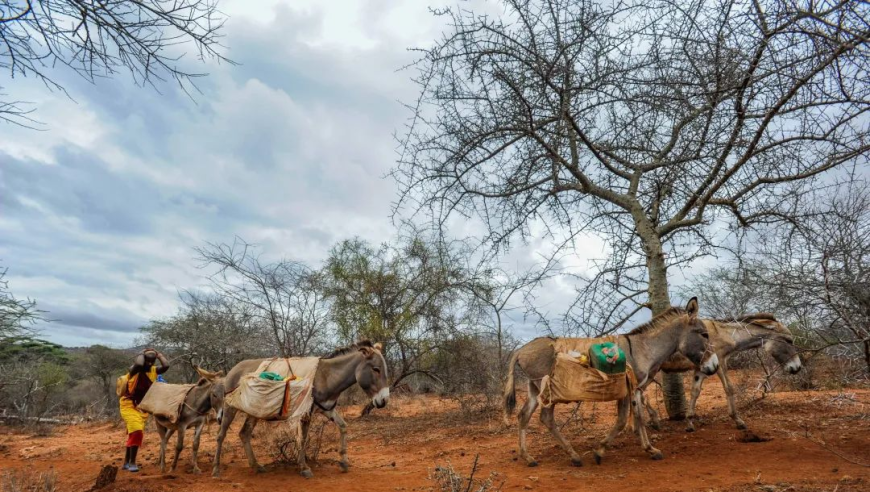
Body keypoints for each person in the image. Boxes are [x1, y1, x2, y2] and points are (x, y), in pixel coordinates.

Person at [119, 348, 170, 472]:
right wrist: (141, 354)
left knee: (133, 433)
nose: (149, 364)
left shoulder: (153, 371)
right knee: (137, 431)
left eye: (152, 362)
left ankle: (126, 463)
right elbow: (139, 364)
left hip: (142, 407)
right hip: (128, 405)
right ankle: (132, 463)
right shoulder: (133, 370)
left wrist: (159, 355)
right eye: (147, 361)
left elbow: (166, 365)